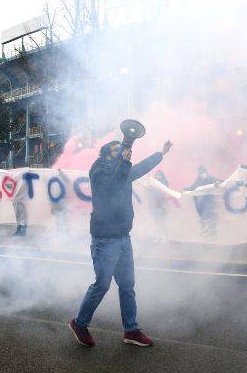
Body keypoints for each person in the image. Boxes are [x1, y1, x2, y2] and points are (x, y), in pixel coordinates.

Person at [69, 137, 172, 348]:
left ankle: (131, 330)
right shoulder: (98, 172)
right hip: (105, 239)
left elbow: (141, 168)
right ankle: (80, 324)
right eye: (117, 150)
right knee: (102, 285)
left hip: (124, 237)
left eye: (123, 149)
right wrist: (124, 162)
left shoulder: (123, 171)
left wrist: (161, 153)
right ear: (106, 154)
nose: (123, 152)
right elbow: (112, 185)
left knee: (127, 286)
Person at [184, 166, 221, 238]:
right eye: (201, 173)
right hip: (203, 201)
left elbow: (220, 181)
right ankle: (205, 231)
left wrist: (217, 182)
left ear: (206, 172)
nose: (203, 175)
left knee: (211, 215)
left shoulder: (211, 178)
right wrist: (185, 189)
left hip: (210, 201)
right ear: (199, 174)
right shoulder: (198, 180)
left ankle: (212, 233)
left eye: (204, 173)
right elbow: (193, 187)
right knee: (203, 217)